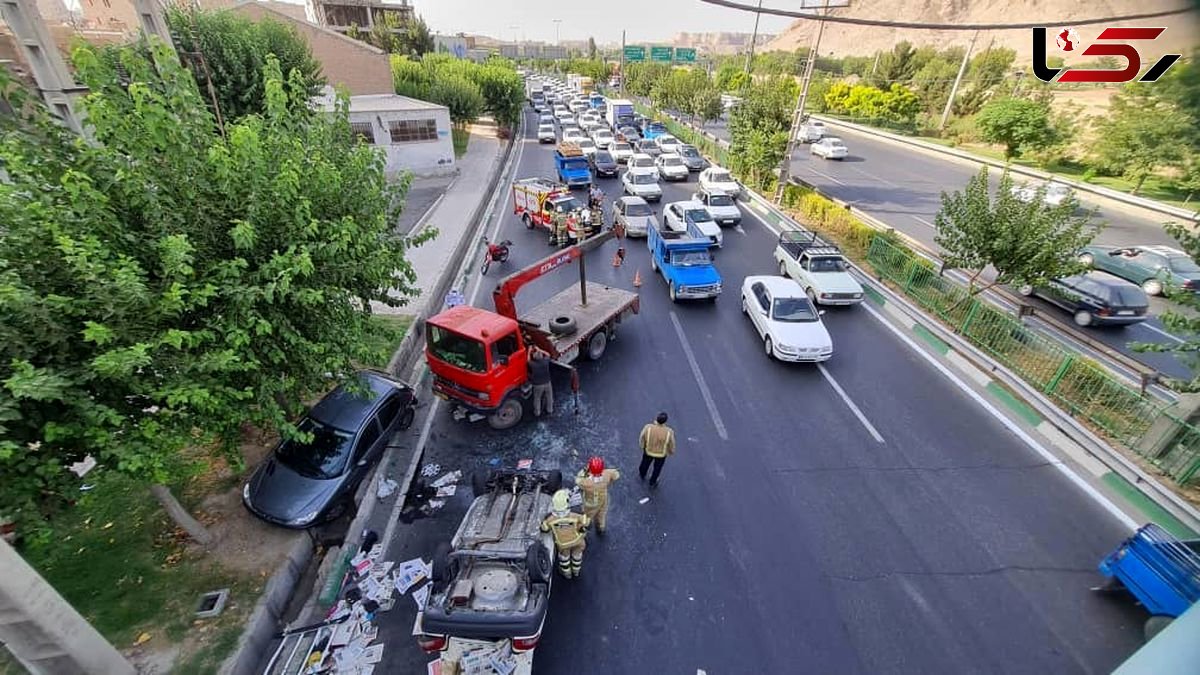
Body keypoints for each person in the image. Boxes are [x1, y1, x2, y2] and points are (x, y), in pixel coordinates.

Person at [540, 489, 590, 578]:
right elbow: (587, 523)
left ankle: (567, 574)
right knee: (577, 556)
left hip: (563, 544)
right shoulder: (575, 516)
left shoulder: (550, 519)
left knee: (564, 559)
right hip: (578, 541)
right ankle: (576, 571)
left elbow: (545, 529)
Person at [575, 457, 620, 534]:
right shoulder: (607, 474)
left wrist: (584, 470)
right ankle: (600, 527)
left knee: (587, 517)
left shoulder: (586, 482)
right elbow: (616, 475)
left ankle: (583, 528)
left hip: (590, 503)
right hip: (603, 499)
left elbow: (577, 480)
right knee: (601, 514)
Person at [638, 412, 675, 487]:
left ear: (656, 419)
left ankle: (642, 473)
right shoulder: (669, 431)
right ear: (665, 421)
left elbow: (642, 437)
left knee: (644, 463)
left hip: (648, 450)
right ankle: (653, 481)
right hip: (661, 454)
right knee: (657, 469)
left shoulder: (648, 427)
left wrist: (642, 446)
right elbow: (671, 443)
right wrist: (671, 451)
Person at [528, 347, 553, 417]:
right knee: (549, 397)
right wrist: (539, 349)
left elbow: (528, 360)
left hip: (538, 385)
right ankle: (550, 410)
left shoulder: (533, 364)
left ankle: (537, 413)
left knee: (537, 398)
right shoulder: (545, 362)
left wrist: (529, 351)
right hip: (547, 383)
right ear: (542, 356)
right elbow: (548, 354)